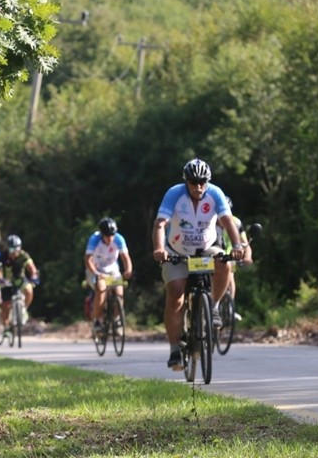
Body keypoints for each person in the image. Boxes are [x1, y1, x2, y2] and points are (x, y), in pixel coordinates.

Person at [151, 158, 246, 371]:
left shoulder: (215, 193)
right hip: (177, 251)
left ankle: (212, 306)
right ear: (186, 181)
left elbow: (228, 221)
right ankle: (175, 349)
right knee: (175, 293)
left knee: (224, 264)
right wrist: (159, 249)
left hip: (206, 248)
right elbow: (160, 224)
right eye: (194, 182)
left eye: (203, 182)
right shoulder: (174, 194)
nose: (199, 187)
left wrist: (237, 245)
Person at [84, 218, 134, 331]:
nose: (110, 238)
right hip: (95, 269)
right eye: (107, 236)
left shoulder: (119, 239)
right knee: (101, 288)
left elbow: (125, 257)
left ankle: (116, 320)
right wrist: (96, 273)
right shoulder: (94, 240)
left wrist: (128, 270)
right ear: (102, 234)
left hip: (112, 270)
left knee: (119, 291)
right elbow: (88, 260)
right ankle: (98, 320)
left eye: (112, 235)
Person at [215, 201, 254, 323]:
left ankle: (229, 309)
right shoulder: (208, 222)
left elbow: (245, 243)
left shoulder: (236, 223)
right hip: (213, 255)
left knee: (230, 274)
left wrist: (247, 257)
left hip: (230, 256)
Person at [0, 235, 40, 327]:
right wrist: (0, 279)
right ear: (8, 249)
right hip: (6, 281)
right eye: (12, 250)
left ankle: (24, 309)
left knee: (29, 290)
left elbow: (32, 268)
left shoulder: (24, 255)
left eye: (17, 249)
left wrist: (34, 277)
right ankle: (6, 327)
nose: (14, 252)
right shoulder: (3, 257)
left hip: (20, 279)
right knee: (5, 306)